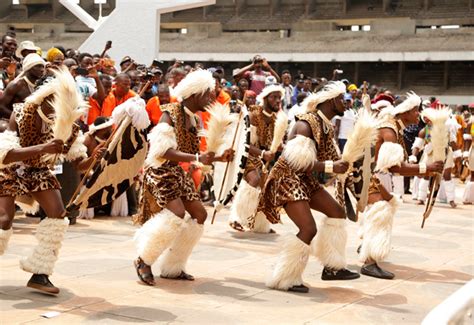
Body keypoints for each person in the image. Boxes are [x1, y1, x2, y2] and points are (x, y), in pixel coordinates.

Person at [0, 67, 96, 294]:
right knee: (3, 219)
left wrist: (94, 158)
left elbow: (79, 164)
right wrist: (43, 147)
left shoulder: (68, 127)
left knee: (58, 216)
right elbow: (5, 155)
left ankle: (40, 273)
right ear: (50, 97)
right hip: (11, 168)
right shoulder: (22, 113)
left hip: (40, 172)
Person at [132, 69, 233, 286]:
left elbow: (198, 156)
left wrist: (219, 158)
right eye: (208, 94)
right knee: (176, 214)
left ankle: (173, 266)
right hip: (159, 171)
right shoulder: (170, 113)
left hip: (177, 172)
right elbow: (160, 152)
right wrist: (197, 157)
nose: (212, 99)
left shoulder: (195, 119)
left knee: (199, 215)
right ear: (195, 94)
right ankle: (144, 259)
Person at [258, 81, 360, 293]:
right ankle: (285, 278)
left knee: (337, 212)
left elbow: (334, 161)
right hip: (287, 179)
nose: (348, 104)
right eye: (344, 100)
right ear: (332, 101)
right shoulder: (306, 124)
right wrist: (333, 166)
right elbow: (297, 163)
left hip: (305, 180)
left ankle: (333, 267)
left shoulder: (326, 125)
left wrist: (352, 180)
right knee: (308, 228)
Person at [358, 92, 444, 279]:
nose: (418, 114)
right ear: (405, 111)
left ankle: (365, 246)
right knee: (381, 211)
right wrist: (426, 167)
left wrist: (424, 169)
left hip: (372, 174)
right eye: (415, 110)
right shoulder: (390, 129)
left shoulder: (395, 127)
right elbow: (395, 167)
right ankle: (369, 262)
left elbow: (396, 167)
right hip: (365, 175)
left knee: (383, 209)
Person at [228, 84, 285, 234]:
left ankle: (259, 225)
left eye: (279, 97)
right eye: (274, 97)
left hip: (262, 159)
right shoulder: (254, 114)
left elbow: (273, 142)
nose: (278, 100)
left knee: (264, 188)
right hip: (246, 155)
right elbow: (245, 143)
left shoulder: (276, 119)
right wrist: (263, 153)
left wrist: (281, 147)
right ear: (265, 99)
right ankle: (237, 218)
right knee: (254, 180)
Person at [0, 53, 45, 121]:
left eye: (42, 66)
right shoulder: (16, 85)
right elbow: (1, 107)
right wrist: (21, 118)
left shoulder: (43, 85)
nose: (42, 70)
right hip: (13, 121)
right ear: (28, 68)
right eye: (38, 66)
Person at [462, 117, 474, 204]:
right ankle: (469, 198)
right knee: (473, 175)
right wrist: (465, 155)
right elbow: (467, 140)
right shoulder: (471, 123)